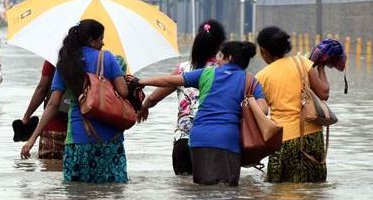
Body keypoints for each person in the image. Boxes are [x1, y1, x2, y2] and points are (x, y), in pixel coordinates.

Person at [140, 41, 267, 186]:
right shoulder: (250, 81)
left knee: (202, 190)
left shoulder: (207, 73)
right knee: (227, 190)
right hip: (227, 139)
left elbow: (170, 80)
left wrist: (142, 81)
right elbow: (263, 110)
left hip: (199, 139)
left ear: (229, 58)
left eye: (220, 55)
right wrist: (246, 103)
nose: (216, 59)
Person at [21, 19, 130, 183]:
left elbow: (52, 104)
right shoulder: (108, 58)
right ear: (91, 40)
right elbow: (123, 92)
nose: (103, 43)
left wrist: (32, 139)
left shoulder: (65, 64)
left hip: (78, 139)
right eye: (100, 38)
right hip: (110, 139)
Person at [136, 19, 226, 175]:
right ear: (220, 45)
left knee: (185, 193)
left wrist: (143, 107)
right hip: (214, 140)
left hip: (183, 141)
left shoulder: (183, 69)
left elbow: (154, 98)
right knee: (215, 192)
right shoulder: (225, 72)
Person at [256, 26, 331, 183]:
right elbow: (324, 93)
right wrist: (321, 67)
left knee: (282, 193)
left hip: (282, 140)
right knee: (314, 191)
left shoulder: (261, 77)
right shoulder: (302, 63)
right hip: (312, 136)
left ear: (263, 51)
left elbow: (260, 112)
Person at [21, 60, 69, 160]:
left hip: (53, 127)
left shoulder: (55, 58)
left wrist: (26, 117)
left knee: (51, 173)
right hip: (82, 131)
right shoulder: (97, 60)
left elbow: (42, 89)